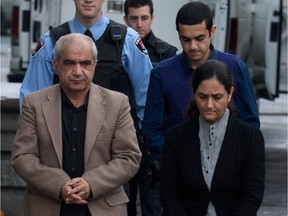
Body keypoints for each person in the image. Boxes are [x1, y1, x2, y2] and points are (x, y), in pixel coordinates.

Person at [141, 1, 260, 213]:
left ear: (212, 31)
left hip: (229, 185)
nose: (193, 46)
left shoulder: (235, 67)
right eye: (185, 39)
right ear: (178, 33)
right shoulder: (163, 73)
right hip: (179, 185)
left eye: (199, 38)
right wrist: (178, 162)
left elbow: (250, 123)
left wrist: (231, 163)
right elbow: (151, 129)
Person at [11, 33, 142, 216]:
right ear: (56, 65)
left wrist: (91, 184)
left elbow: (129, 158)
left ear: (95, 65)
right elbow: (22, 157)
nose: (78, 71)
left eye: (85, 63)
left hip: (102, 207)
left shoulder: (117, 103)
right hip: (46, 206)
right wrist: (59, 185)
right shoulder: (34, 103)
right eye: (70, 63)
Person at [19, 0, 152, 131]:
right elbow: (32, 100)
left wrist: (139, 138)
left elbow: (146, 97)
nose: (88, 0)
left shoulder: (127, 40)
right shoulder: (50, 42)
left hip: (114, 140)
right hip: (61, 139)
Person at [160, 59, 265, 216]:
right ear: (194, 93)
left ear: (230, 94)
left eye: (217, 97)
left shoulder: (250, 138)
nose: (209, 105)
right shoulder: (176, 137)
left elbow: (252, 195)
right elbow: (169, 193)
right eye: (203, 96)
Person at [124, 0, 178, 66]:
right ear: (126, 20)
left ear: (151, 18)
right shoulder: (117, 49)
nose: (139, 25)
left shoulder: (168, 53)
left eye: (144, 18)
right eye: (134, 18)